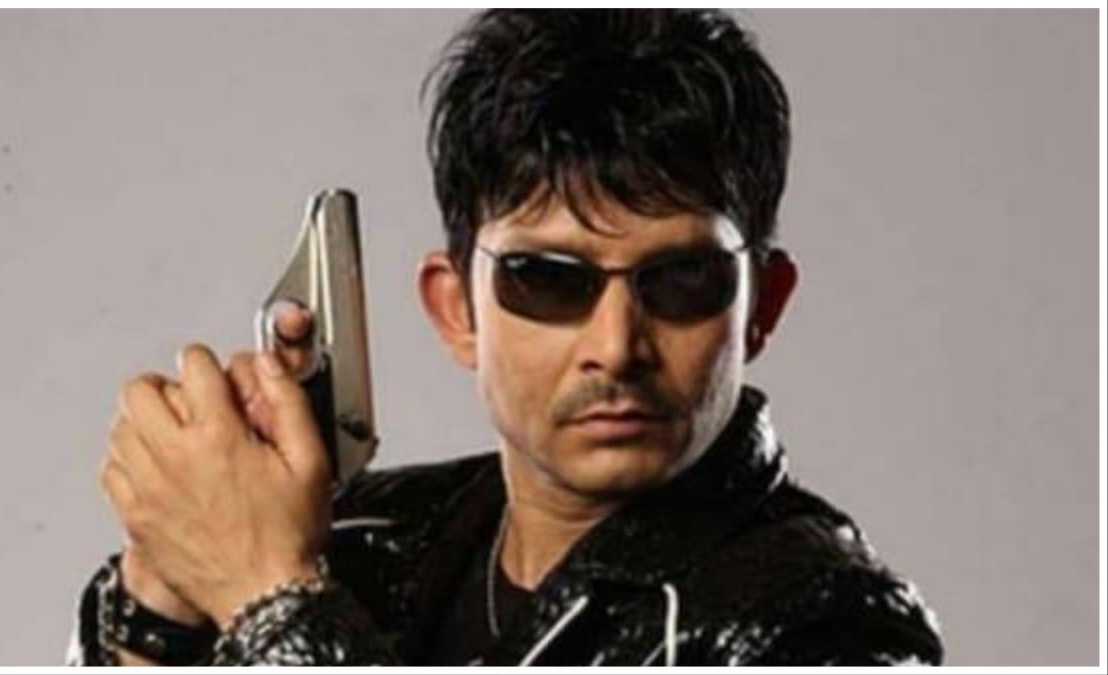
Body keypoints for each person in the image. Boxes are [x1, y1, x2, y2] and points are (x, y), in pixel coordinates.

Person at [68, 9, 944, 666]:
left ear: (761, 305)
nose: (616, 346)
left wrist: (269, 597)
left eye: (680, 281)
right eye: (548, 279)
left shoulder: (832, 623)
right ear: (456, 308)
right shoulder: (366, 534)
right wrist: (170, 580)